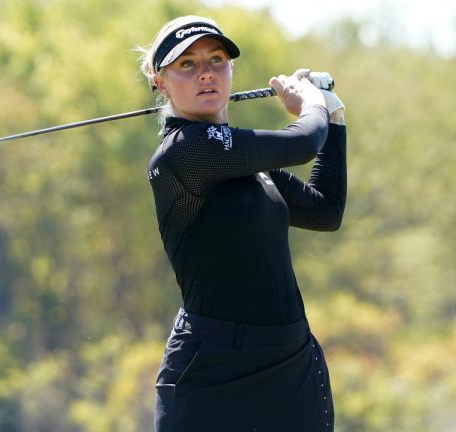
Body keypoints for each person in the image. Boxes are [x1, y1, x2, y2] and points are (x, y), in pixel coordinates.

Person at [139, 15, 347, 432]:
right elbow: (304, 141)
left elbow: (325, 211)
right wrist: (311, 103)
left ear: (231, 70)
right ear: (160, 83)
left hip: (290, 365)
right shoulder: (183, 153)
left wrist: (335, 118)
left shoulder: (248, 163)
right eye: (187, 64)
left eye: (217, 60)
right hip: (212, 370)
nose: (205, 73)